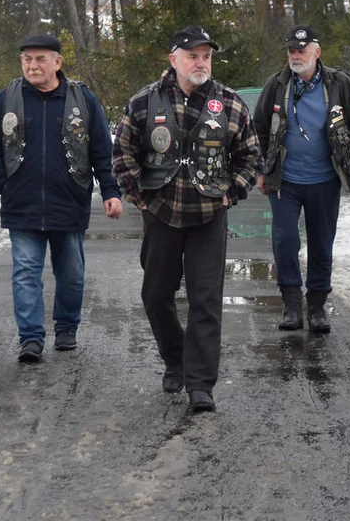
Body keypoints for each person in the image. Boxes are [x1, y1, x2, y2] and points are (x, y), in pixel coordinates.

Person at [112, 25, 262, 413]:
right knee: (156, 296)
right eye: (192, 55)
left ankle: (200, 385)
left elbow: (250, 157)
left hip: (209, 216)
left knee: (205, 300)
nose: (200, 62)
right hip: (160, 214)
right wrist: (139, 197)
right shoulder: (144, 102)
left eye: (206, 56)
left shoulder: (229, 103)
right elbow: (123, 152)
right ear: (173, 59)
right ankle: (175, 359)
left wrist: (230, 195)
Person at [0, 33, 123, 363]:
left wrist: (110, 192)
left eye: (40, 59)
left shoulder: (82, 99)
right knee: (25, 272)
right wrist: (3, 182)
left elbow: (102, 150)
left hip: (68, 202)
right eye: (27, 59)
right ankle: (30, 337)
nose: (33, 65)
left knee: (71, 273)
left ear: (58, 62)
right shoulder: (5, 100)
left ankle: (67, 327)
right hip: (22, 206)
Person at [253, 25, 350, 334]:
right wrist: (260, 169)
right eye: (292, 50)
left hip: (324, 179)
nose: (296, 55)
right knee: (286, 241)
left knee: (321, 243)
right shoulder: (277, 85)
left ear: (316, 52)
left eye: (302, 50)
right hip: (285, 180)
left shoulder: (338, 84)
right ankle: (292, 306)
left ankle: (317, 307)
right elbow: (259, 128)